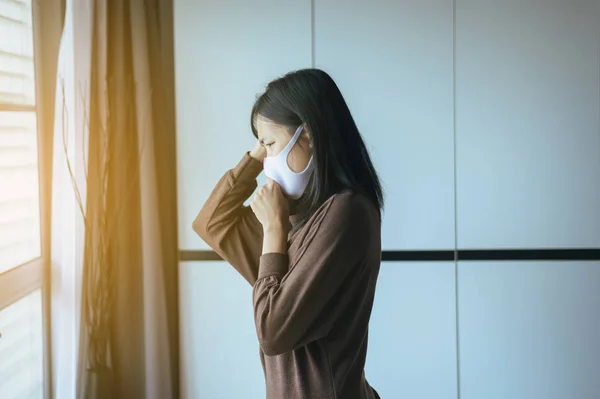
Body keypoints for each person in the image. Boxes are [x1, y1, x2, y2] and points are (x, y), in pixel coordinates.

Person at [193, 68, 384, 399]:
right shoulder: (301, 219)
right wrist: (254, 157)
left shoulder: (346, 211)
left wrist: (273, 230)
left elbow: (273, 331)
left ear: (308, 134)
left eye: (270, 144)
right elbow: (211, 223)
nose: (267, 159)